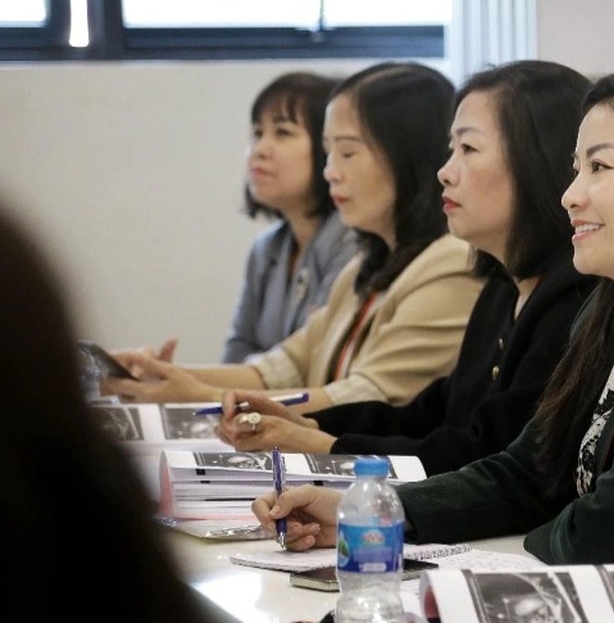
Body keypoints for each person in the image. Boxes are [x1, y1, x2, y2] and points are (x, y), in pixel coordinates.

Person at [250, 64, 614, 618]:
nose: (571, 194)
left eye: (600, 168)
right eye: (574, 168)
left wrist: (514, 531)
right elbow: (527, 474)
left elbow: (603, 534)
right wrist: (373, 514)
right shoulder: (613, 311)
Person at [214, 60, 598, 476]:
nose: (445, 172)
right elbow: (433, 413)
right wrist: (310, 424)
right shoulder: (502, 289)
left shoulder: (571, 297)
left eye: (468, 150)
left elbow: (486, 454)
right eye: (451, 149)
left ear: (535, 159)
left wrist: (322, 443)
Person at [108, 62, 483, 416]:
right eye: (327, 152)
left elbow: (365, 398)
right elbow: (284, 365)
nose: (330, 172)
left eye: (348, 153)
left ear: (407, 156)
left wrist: (201, 396)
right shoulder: (367, 265)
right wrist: (166, 376)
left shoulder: (450, 263)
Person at [0, 200, 215, 621]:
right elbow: (273, 366)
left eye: (346, 152)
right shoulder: (90, 502)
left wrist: (187, 385)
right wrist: (178, 382)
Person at [224, 71, 357, 363]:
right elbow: (236, 349)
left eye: (282, 133)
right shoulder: (266, 248)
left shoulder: (353, 242)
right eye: (257, 133)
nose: (259, 150)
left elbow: (315, 361)